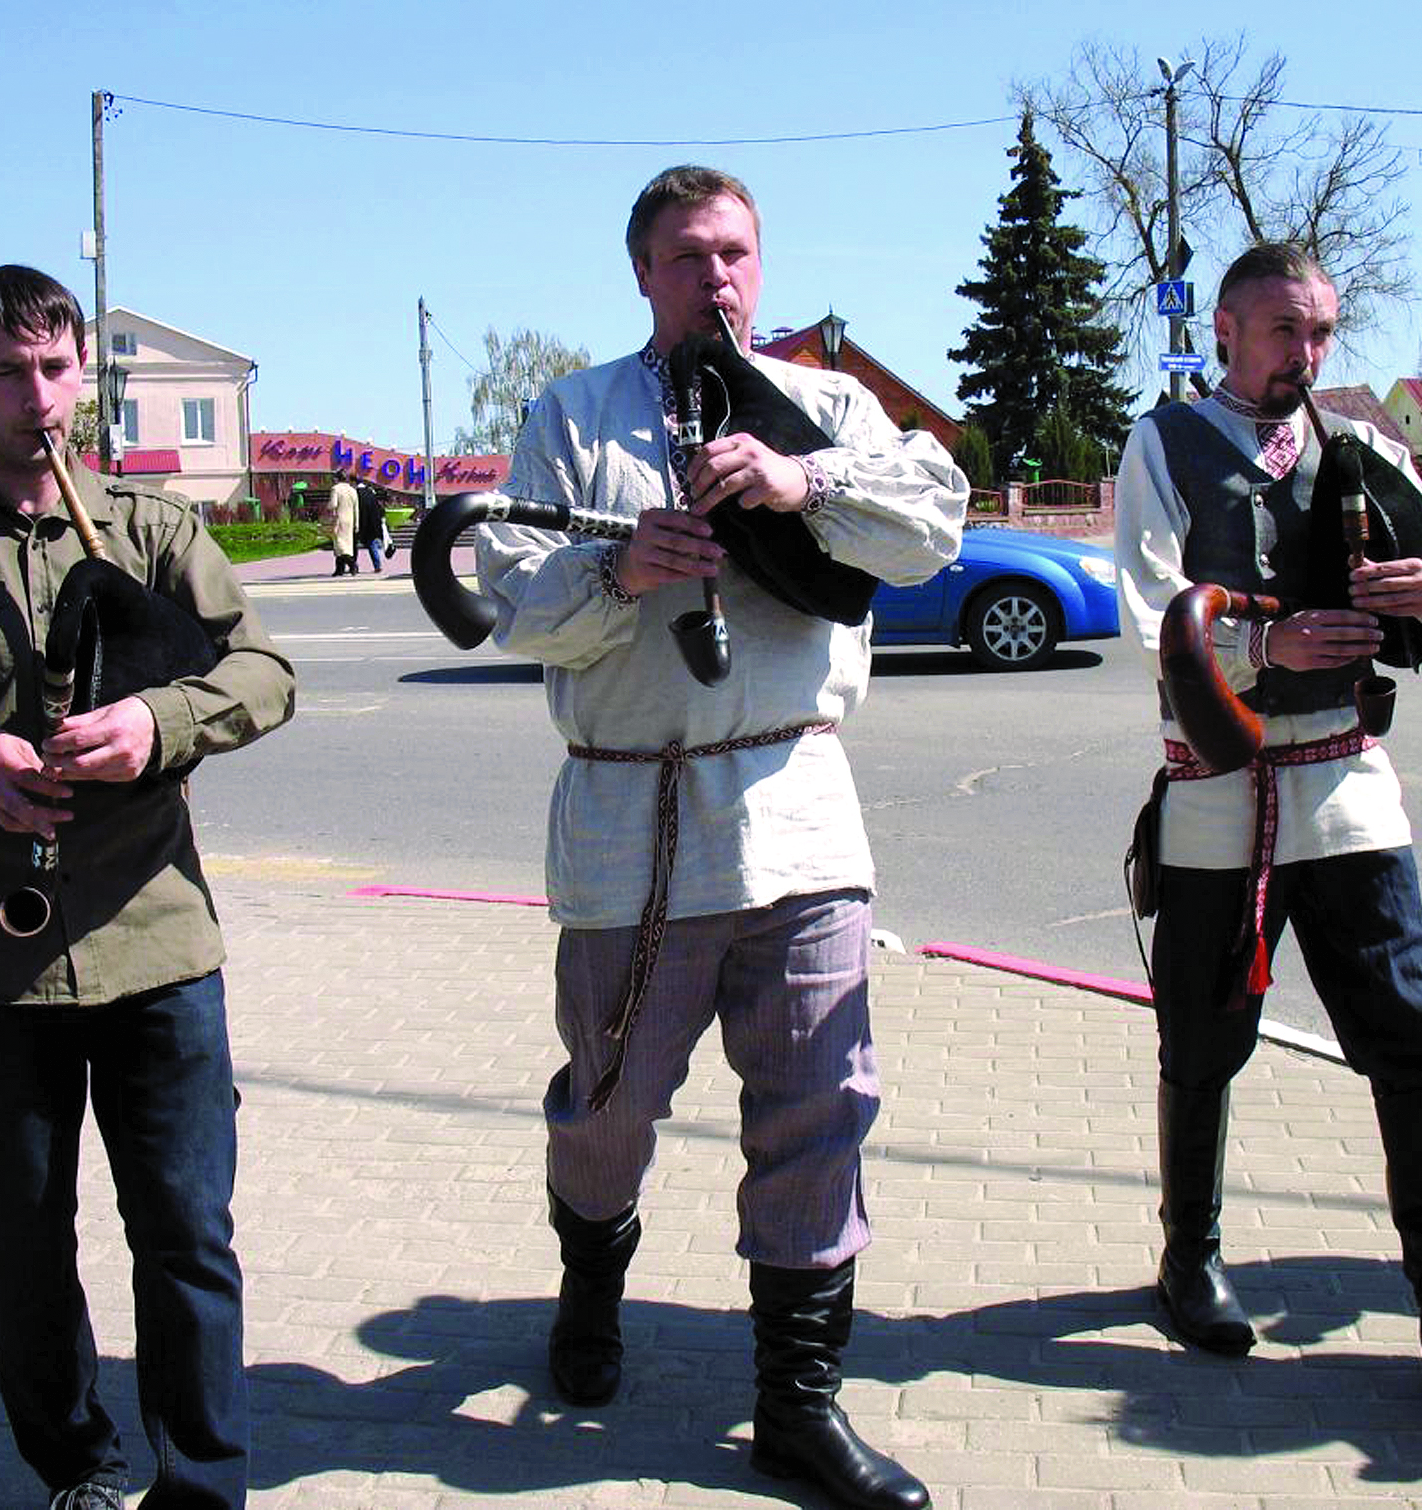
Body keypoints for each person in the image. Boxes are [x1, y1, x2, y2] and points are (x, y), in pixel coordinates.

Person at [474, 165, 965, 1510]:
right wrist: (616, 571)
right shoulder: (571, 419)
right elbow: (509, 605)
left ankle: (795, 1406)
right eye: (686, 256)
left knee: (819, 1107)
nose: (716, 278)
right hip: (627, 819)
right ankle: (590, 1274)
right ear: (642, 273)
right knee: (609, 1104)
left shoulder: (829, 406)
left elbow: (932, 523)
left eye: (734, 253)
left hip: (795, 809)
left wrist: (801, 479)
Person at [0, 265, 296, 1509]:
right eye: (8, 374)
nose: (39, 398)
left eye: (57, 369)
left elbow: (265, 676)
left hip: (155, 942)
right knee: (25, 1238)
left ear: (83, 374)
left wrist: (158, 719)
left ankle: (202, 1482)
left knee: (187, 1232)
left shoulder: (151, 529)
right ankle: (76, 1463)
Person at [1115, 242, 1422, 1379]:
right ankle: (1190, 1261)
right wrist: (1260, 643)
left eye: (1319, 332)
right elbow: (1147, 606)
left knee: (1414, 1042)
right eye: (1283, 331)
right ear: (1225, 328)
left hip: (1350, 784)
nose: (1305, 354)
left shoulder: (1358, 445)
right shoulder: (1163, 443)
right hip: (1220, 787)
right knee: (1203, 1039)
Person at [328, 469, 359, 575]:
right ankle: (339, 569)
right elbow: (356, 509)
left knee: (340, 545)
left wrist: (328, 506)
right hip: (350, 520)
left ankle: (352, 564)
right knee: (347, 545)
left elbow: (333, 505)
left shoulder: (335, 489)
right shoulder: (352, 490)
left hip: (339, 519)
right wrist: (356, 523)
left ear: (337, 478)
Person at [355, 475, 387, 572]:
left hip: (359, 522)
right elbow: (377, 508)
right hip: (371, 524)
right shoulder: (370, 492)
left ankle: (354, 566)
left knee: (353, 545)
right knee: (372, 545)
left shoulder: (355, 493)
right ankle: (377, 565)